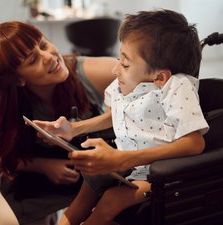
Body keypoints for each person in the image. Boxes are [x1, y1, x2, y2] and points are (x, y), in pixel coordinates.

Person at [35, 9, 209, 225]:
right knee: (85, 193)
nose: (116, 69)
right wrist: (73, 129)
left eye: (125, 64)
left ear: (160, 76)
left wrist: (122, 159)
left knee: (110, 200)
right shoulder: (126, 85)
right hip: (128, 166)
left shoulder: (176, 86)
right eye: (119, 59)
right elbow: (114, 114)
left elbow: (194, 143)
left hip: (164, 172)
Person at [0, 21, 117, 225]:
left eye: (43, 45)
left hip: (89, 178)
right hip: (36, 183)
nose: (50, 57)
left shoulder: (90, 71)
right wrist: (43, 166)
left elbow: (147, 80)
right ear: (18, 79)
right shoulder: (8, 100)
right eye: (33, 60)